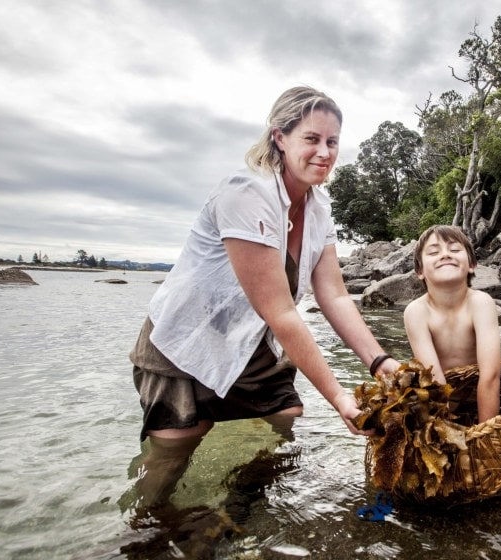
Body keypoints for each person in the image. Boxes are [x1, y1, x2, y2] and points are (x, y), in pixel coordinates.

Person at [128, 86, 399, 506]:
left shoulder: (319, 207)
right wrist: (340, 398)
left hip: (248, 342)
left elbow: (336, 297)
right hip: (186, 342)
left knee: (284, 415)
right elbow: (281, 313)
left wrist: (381, 363)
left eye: (332, 142)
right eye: (311, 139)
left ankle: (237, 507)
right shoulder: (246, 192)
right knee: (171, 458)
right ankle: (145, 536)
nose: (324, 152)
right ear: (280, 138)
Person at [403, 225, 501, 423]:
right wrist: (446, 430)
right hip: (440, 404)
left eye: (454, 250)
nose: (445, 255)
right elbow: (434, 381)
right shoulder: (416, 312)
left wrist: (486, 433)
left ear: (472, 264)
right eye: (433, 252)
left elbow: (491, 375)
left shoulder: (480, 303)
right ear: (420, 271)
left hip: (481, 401)